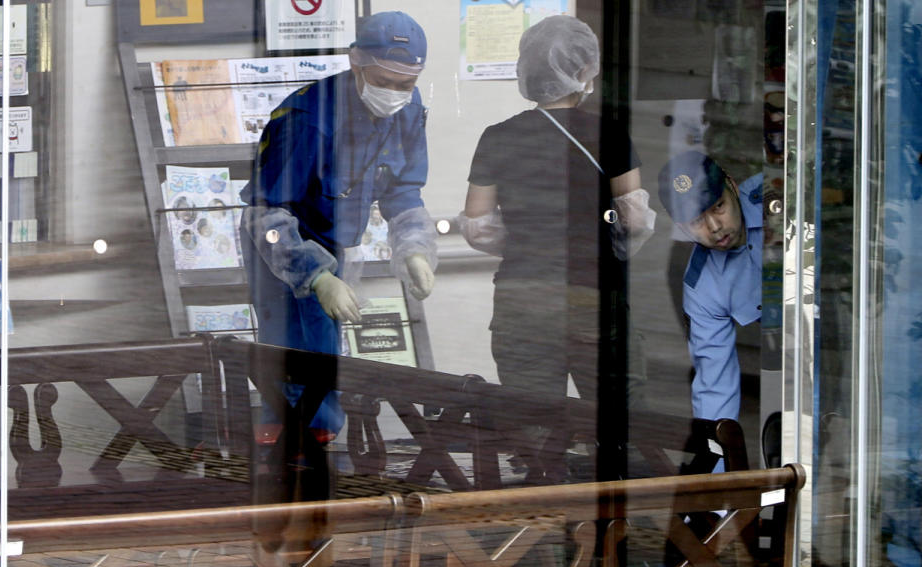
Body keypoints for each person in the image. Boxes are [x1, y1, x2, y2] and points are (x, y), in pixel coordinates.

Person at [460, 15, 655, 483]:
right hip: (591, 293)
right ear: (585, 68)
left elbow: (479, 226)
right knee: (617, 424)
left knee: (533, 424)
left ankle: (541, 520)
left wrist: (531, 244)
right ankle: (609, 524)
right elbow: (634, 220)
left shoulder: (498, 136)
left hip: (521, 295)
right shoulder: (607, 132)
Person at [239, 12, 438, 465]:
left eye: (408, 83)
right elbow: (266, 213)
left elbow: (404, 188)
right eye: (386, 80)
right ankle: (294, 452)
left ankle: (321, 446)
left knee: (326, 351)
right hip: (281, 245)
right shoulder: (307, 119)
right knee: (293, 352)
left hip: (338, 240)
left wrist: (414, 248)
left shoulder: (407, 107)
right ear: (355, 62)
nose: (397, 93)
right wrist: (315, 274)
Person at [658, 150, 764, 423]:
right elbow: (715, 388)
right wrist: (718, 460)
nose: (715, 227)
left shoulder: (774, 196)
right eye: (697, 221)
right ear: (680, 227)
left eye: (718, 206)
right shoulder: (702, 287)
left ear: (732, 183)